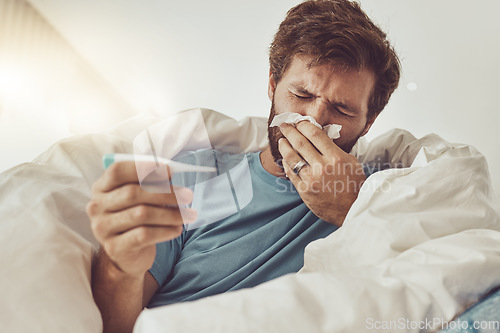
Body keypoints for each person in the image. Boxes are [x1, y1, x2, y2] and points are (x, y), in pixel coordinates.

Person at [86, 0, 400, 331]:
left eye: (342, 109)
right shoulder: (190, 174)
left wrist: (353, 210)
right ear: (272, 84)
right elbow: (115, 326)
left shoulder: (383, 194)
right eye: (302, 94)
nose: (314, 120)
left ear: (368, 123)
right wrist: (121, 266)